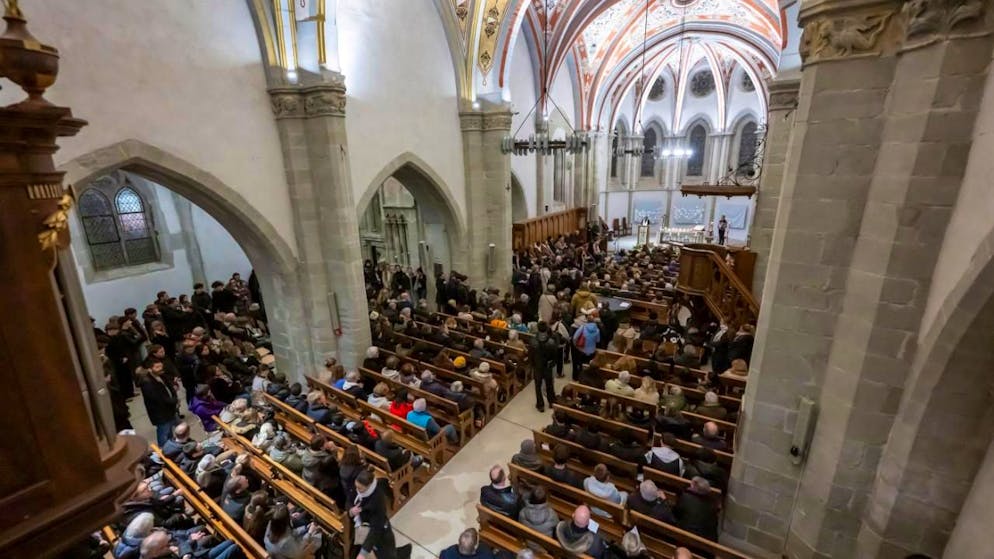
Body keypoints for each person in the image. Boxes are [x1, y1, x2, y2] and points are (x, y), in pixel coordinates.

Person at [351, 469, 409, 559]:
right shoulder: (360, 491)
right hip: (364, 526)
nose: (357, 490)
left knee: (387, 555)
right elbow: (349, 500)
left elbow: (376, 528)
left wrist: (363, 553)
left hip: (381, 533)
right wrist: (351, 511)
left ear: (369, 486)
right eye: (356, 487)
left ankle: (405, 552)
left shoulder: (377, 500)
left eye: (359, 488)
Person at [141, 360, 180, 446]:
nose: (160, 369)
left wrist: (174, 397)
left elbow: (170, 387)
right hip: (161, 414)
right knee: (164, 435)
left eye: (161, 366)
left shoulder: (162, 376)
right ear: (150, 369)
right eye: (157, 367)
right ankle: (163, 452)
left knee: (171, 433)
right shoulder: (147, 383)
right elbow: (158, 399)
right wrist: (173, 400)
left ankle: (171, 448)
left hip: (170, 410)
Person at [675, 477, 719, 541]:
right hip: (705, 541)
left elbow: (675, 514)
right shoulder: (713, 506)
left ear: (693, 487)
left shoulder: (685, 498)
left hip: (684, 537)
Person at [530, 322, 559, 411]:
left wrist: (533, 365)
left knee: (538, 386)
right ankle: (551, 401)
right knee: (549, 385)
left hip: (538, 366)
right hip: (547, 366)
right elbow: (555, 356)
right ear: (546, 329)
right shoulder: (551, 342)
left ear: (538, 329)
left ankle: (540, 405)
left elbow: (530, 355)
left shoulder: (533, 341)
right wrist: (552, 363)